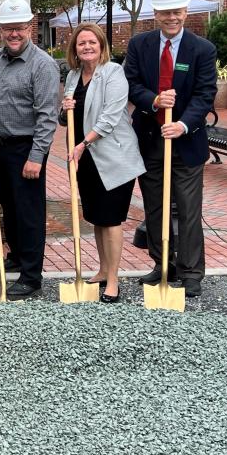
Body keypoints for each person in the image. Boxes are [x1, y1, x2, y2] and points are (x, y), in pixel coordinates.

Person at [124, 0, 217, 298]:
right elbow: (131, 83)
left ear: (185, 10)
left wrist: (184, 125)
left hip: (186, 144)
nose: (171, 18)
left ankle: (191, 272)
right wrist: (153, 100)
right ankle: (163, 263)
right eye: (165, 12)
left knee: (189, 210)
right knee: (154, 207)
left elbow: (205, 95)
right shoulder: (139, 46)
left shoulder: (202, 49)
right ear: (155, 13)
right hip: (150, 139)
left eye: (177, 11)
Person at [0, 0, 59, 300]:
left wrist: (36, 157)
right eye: (8, 28)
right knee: (8, 207)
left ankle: (31, 276)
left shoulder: (43, 65)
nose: (14, 34)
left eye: (19, 28)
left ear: (30, 27)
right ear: (0, 29)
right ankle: (17, 256)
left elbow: (48, 117)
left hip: (27, 147)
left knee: (29, 212)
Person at [60, 23, 145, 303]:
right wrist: (65, 110)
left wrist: (83, 144)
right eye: (81, 43)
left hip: (112, 156)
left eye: (92, 43)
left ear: (101, 46)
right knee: (96, 217)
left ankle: (114, 281)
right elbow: (69, 117)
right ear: (75, 48)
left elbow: (109, 118)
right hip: (87, 159)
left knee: (111, 219)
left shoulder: (113, 72)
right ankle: (103, 269)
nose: (86, 47)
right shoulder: (73, 77)